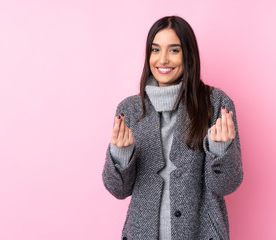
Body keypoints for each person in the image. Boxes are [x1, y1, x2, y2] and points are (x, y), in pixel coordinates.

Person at [102, 15, 243, 240]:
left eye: (174, 50)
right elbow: (118, 190)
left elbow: (226, 186)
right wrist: (120, 155)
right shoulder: (129, 109)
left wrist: (221, 151)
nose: (163, 59)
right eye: (155, 50)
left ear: (189, 55)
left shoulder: (216, 104)